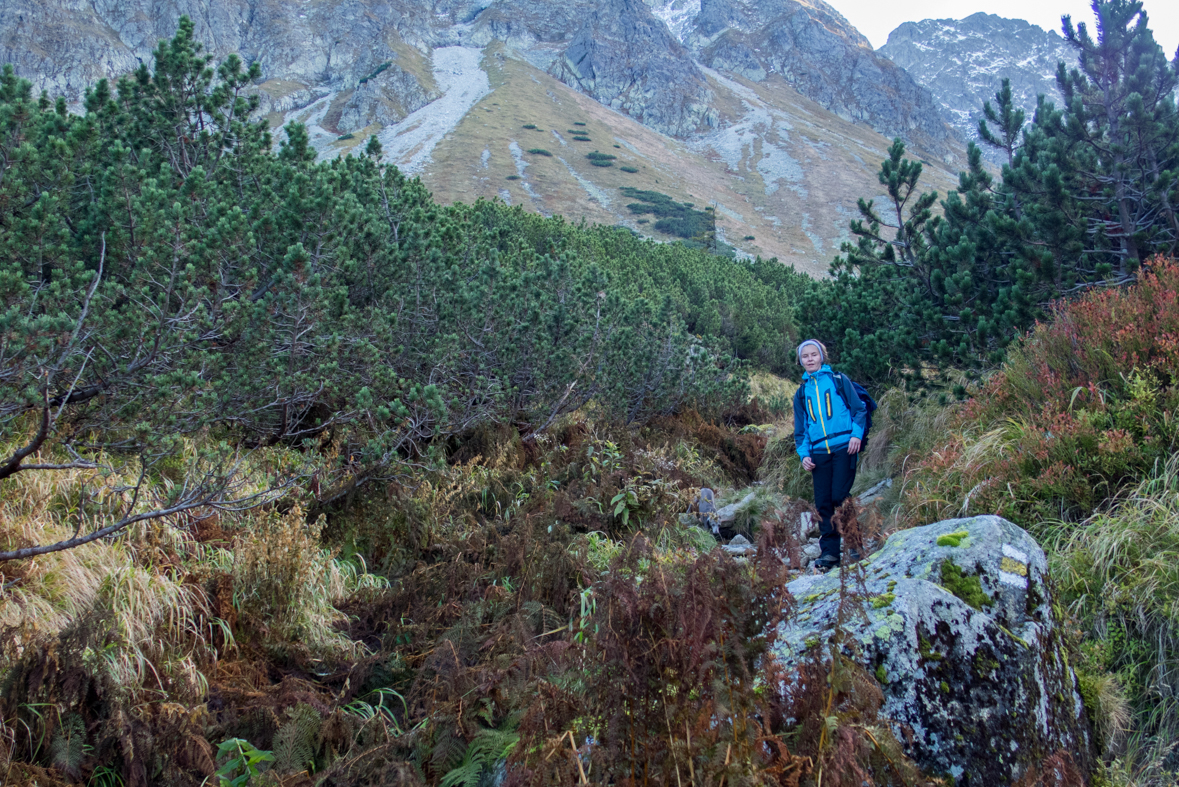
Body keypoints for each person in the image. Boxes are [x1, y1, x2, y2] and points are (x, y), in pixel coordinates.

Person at [792, 339, 866, 572]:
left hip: (845, 447)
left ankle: (854, 545)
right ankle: (830, 553)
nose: (810, 359)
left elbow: (859, 409)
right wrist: (803, 454)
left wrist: (856, 435)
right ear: (800, 361)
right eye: (805, 356)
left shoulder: (838, 381)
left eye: (814, 354)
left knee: (840, 496)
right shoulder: (801, 393)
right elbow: (800, 430)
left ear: (822, 356)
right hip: (818, 453)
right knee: (823, 503)